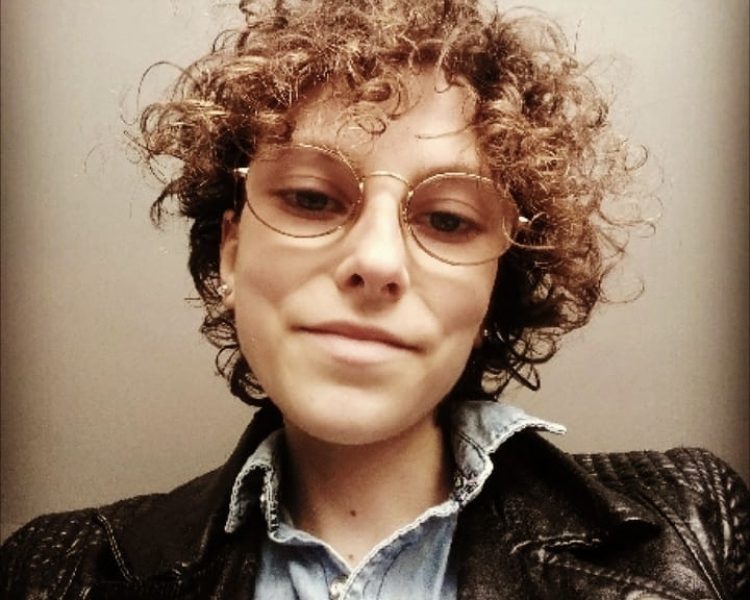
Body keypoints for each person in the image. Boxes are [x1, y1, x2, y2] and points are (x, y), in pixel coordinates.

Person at [2, 0, 748, 598]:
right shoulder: (52, 574)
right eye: (310, 197)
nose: (377, 261)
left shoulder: (694, 529)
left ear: (497, 289)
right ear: (230, 250)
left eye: (448, 220)